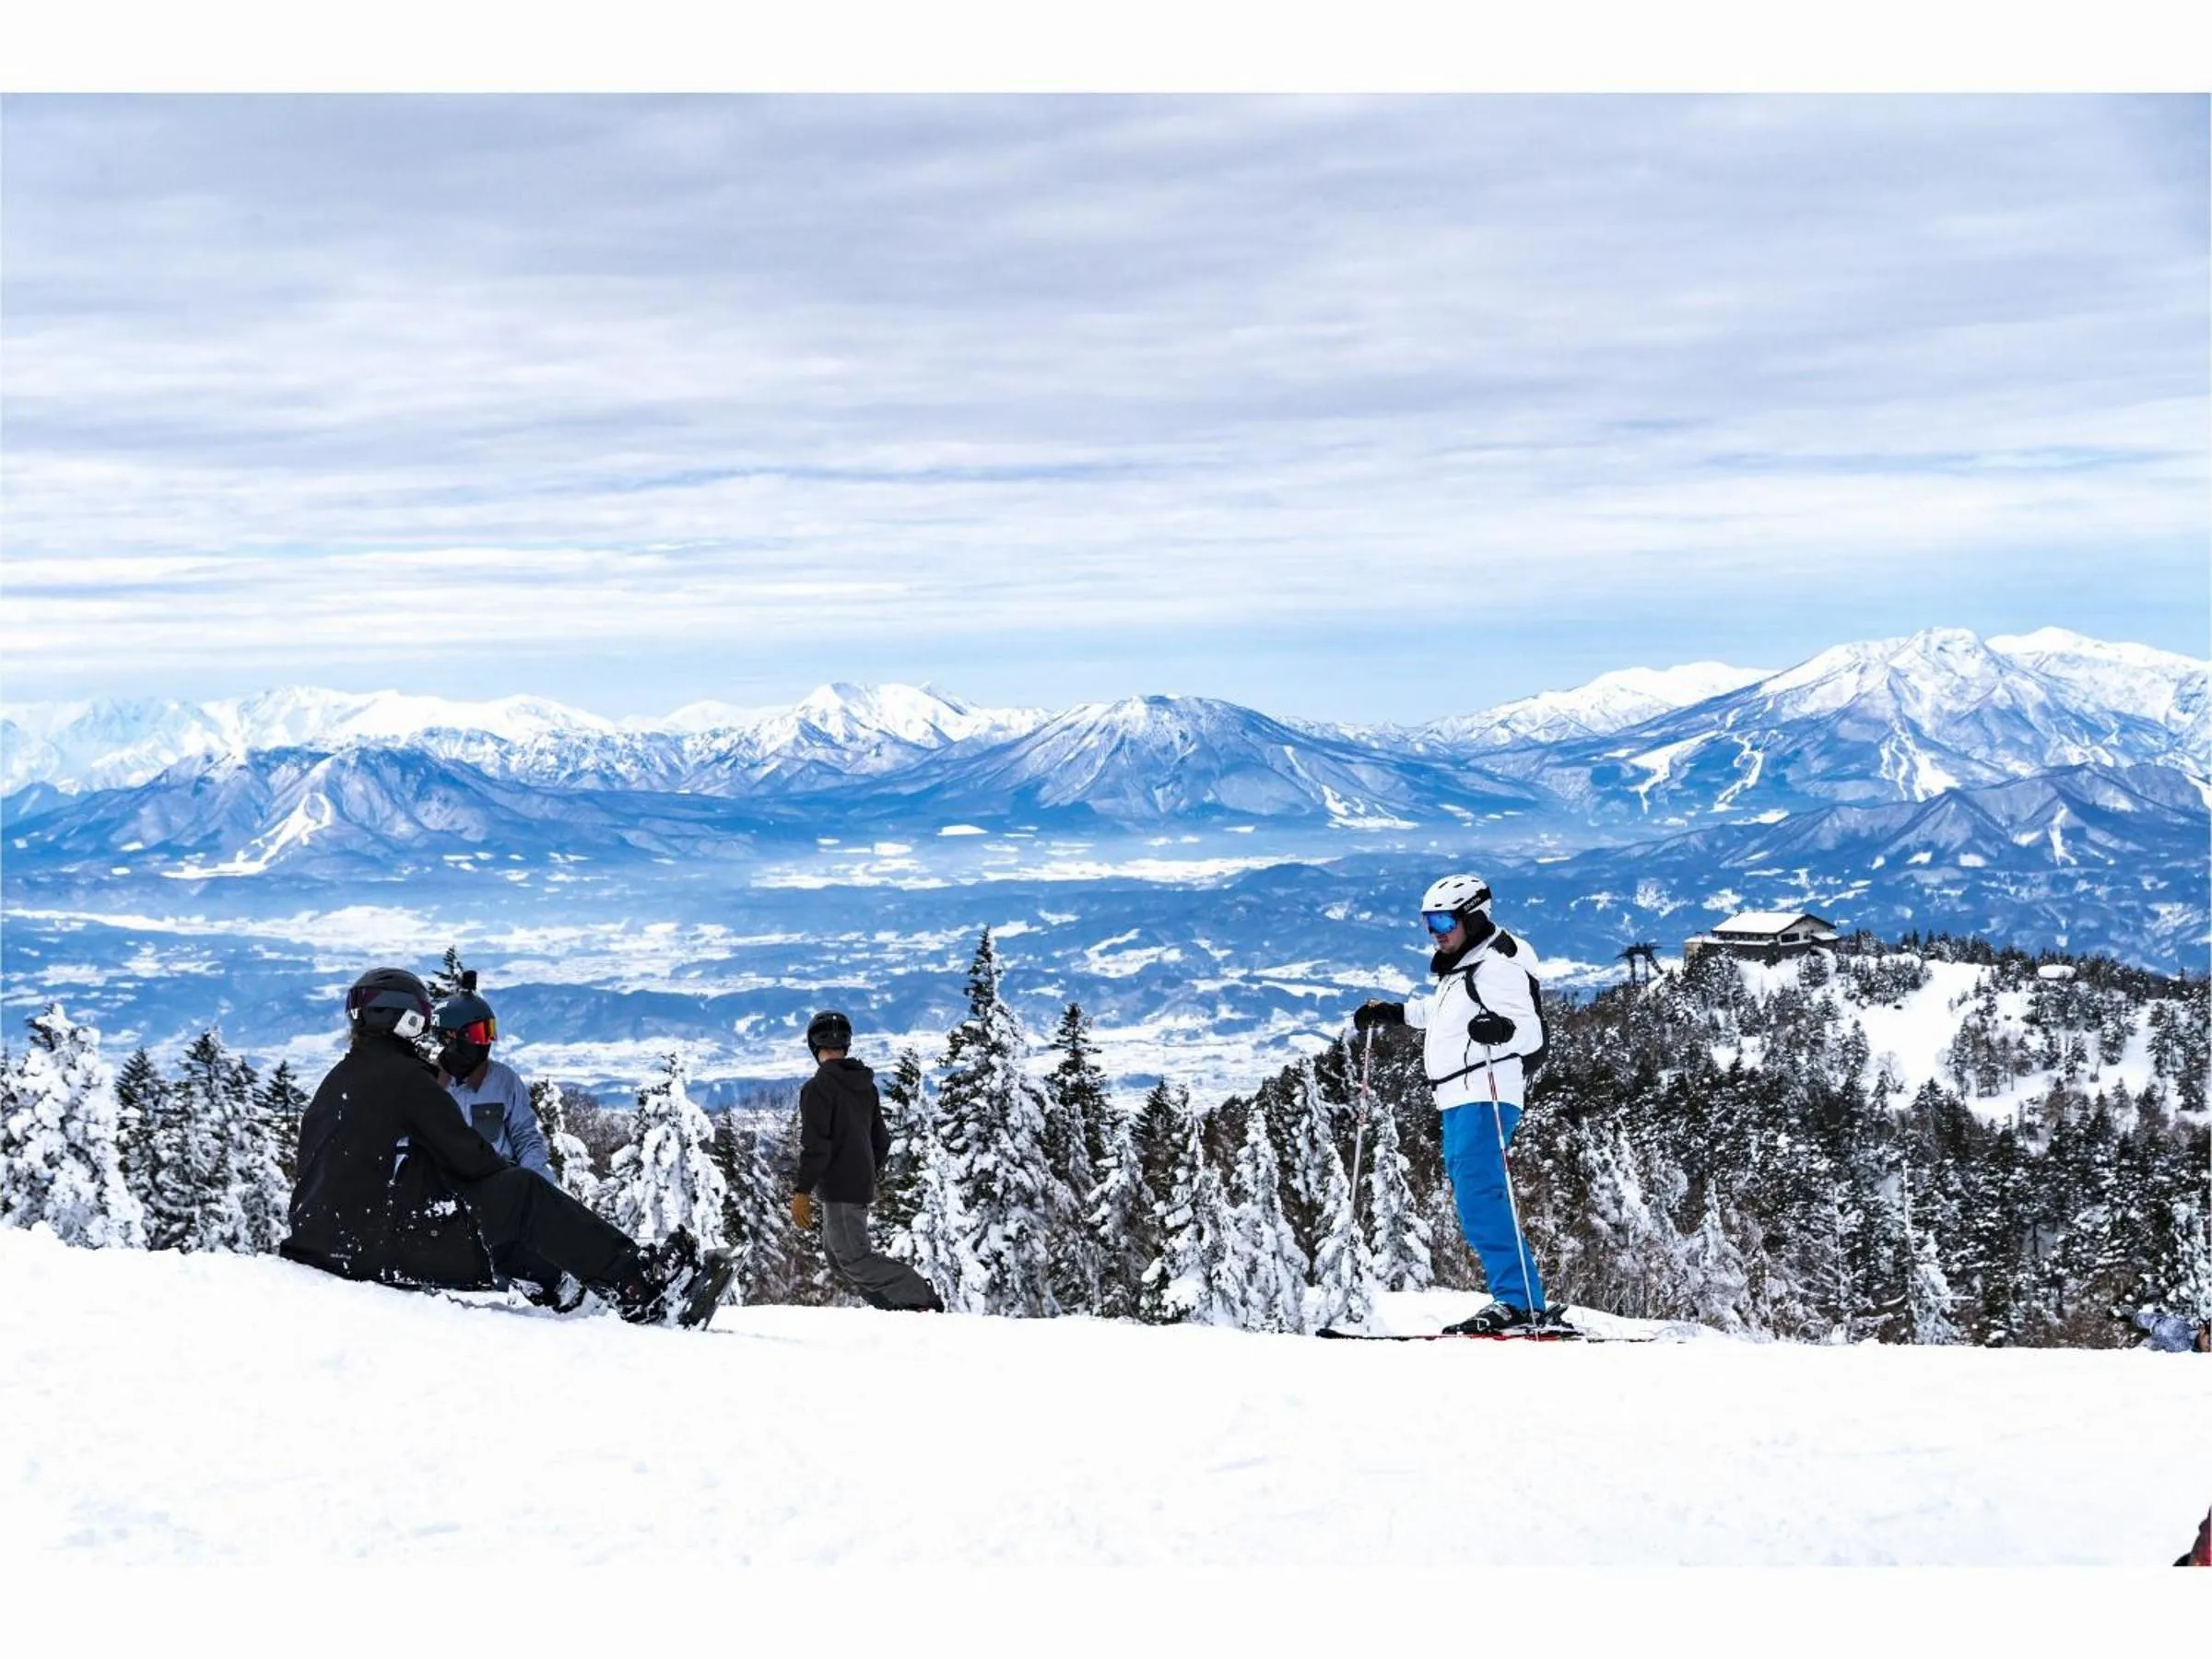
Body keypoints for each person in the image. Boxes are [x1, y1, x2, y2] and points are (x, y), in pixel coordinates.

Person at [282, 966, 730, 1327]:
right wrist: (522, 1195)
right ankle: (640, 1286)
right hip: (375, 1249)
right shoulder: (404, 1078)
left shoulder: (340, 1079)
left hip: (331, 1242)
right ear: (404, 1019)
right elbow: (466, 1155)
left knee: (483, 1200)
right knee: (517, 1191)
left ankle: (560, 1286)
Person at [1353, 873, 1550, 1336]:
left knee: (1480, 1196)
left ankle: (1521, 1303)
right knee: (1475, 1196)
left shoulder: (1497, 967)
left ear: (1474, 916)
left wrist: (1500, 1031)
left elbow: (1531, 1031)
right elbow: (1443, 1017)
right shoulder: (1464, 966)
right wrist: (1394, 1013)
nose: (1435, 930)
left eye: (1444, 919)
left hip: (1486, 1090)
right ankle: (1519, 1299)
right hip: (1459, 1096)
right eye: (1427, 921)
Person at [791, 1009, 945, 1312]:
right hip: (855, 1182)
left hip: (840, 1185)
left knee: (854, 1259)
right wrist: (864, 1172)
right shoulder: (865, 1085)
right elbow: (881, 1142)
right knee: (838, 1259)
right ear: (845, 1046)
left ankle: (916, 1296)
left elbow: (816, 1146)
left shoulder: (818, 1088)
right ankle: (891, 1305)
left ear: (813, 1046)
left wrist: (803, 1191)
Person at [433, 971, 553, 1182]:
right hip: (445, 1194)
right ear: (449, 1035)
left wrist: (538, 1185)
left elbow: (525, 1136)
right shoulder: (426, 1085)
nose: (485, 1042)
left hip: (497, 1188)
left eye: (489, 1033)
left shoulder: (504, 1081)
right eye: (478, 1034)